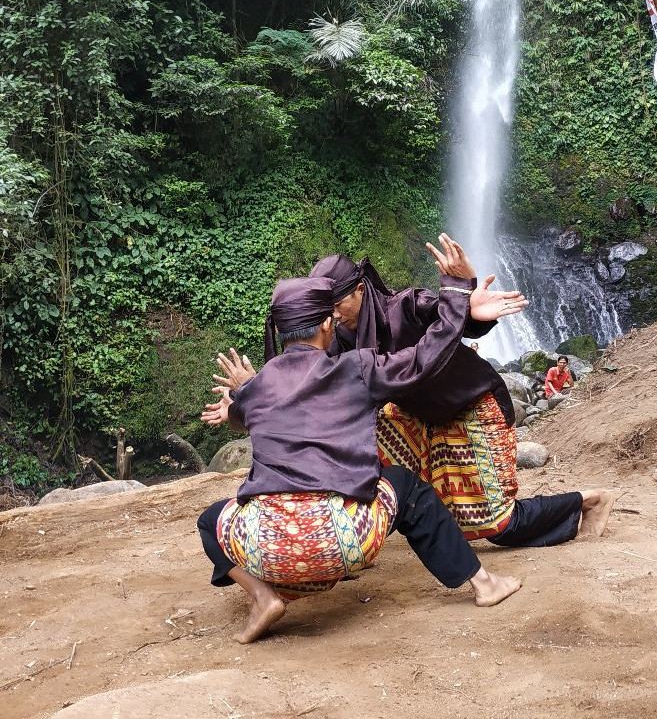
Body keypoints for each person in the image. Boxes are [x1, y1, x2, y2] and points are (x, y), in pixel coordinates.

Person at [198, 241, 523, 644]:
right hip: (344, 539)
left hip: (267, 549)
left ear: (279, 330)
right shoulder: (357, 368)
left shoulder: (258, 386)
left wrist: (239, 399)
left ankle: (263, 597)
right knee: (406, 487)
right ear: (326, 327)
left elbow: (238, 419)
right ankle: (483, 583)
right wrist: (456, 291)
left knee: (209, 519)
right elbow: (425, 356)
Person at [308, 234, 614, 549]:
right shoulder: (341, 337)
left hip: (473, 407)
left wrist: (468, 307)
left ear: (360, 290)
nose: (333, 315)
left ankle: (587, 502)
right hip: (416, 416)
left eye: (336, 304)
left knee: (497, 525)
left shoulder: (405, 304)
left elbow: (448, 315)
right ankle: (352, 537)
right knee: (356, 442)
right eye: (324, 309)